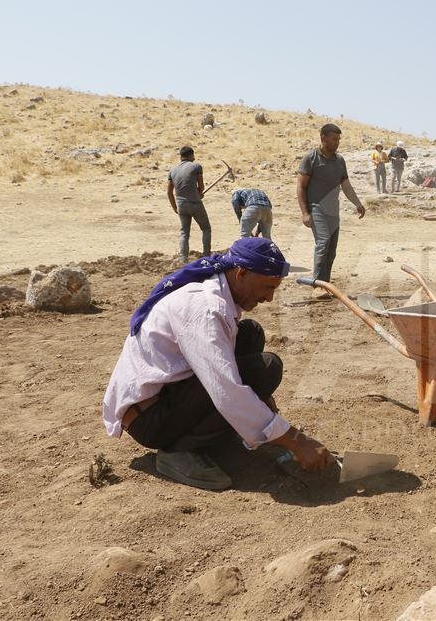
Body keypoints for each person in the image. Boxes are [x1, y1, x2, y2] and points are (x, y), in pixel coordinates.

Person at [102, 238, 336, 490]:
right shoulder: (204, 309)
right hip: (149, 419)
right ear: (242, 273)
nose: (269, 298)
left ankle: (221, 433)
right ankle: (179, 451)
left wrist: (262, 406)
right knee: (267, 367)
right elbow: (226, 389)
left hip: (167, 396)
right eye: (267, 287)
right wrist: (296, 441)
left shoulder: (218, 291)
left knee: (250, 333)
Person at [297, 124, 366, 284]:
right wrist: (305, 213)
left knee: (331, 250)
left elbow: (346, 185)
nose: (337, 143)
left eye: (338, 139)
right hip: (316, 209)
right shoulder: (311, 158)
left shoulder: (340, 160)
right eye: (334, 139)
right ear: (323, 138)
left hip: (333, 212)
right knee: (323, 243)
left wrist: (357, 203)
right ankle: (318, 283)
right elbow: (301, 186)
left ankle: (324, 284)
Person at [167, 146, 210, 263]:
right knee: (206, 228)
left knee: (184, 232)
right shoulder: (196, 166)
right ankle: (206, 255)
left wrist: (175, 207)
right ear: (191, 155)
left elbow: (169, 192)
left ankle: (183, 258)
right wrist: (200, 193)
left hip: (181, 205)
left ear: (181, 156)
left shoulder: (173, 170)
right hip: (195, 203)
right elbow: (201, 186)